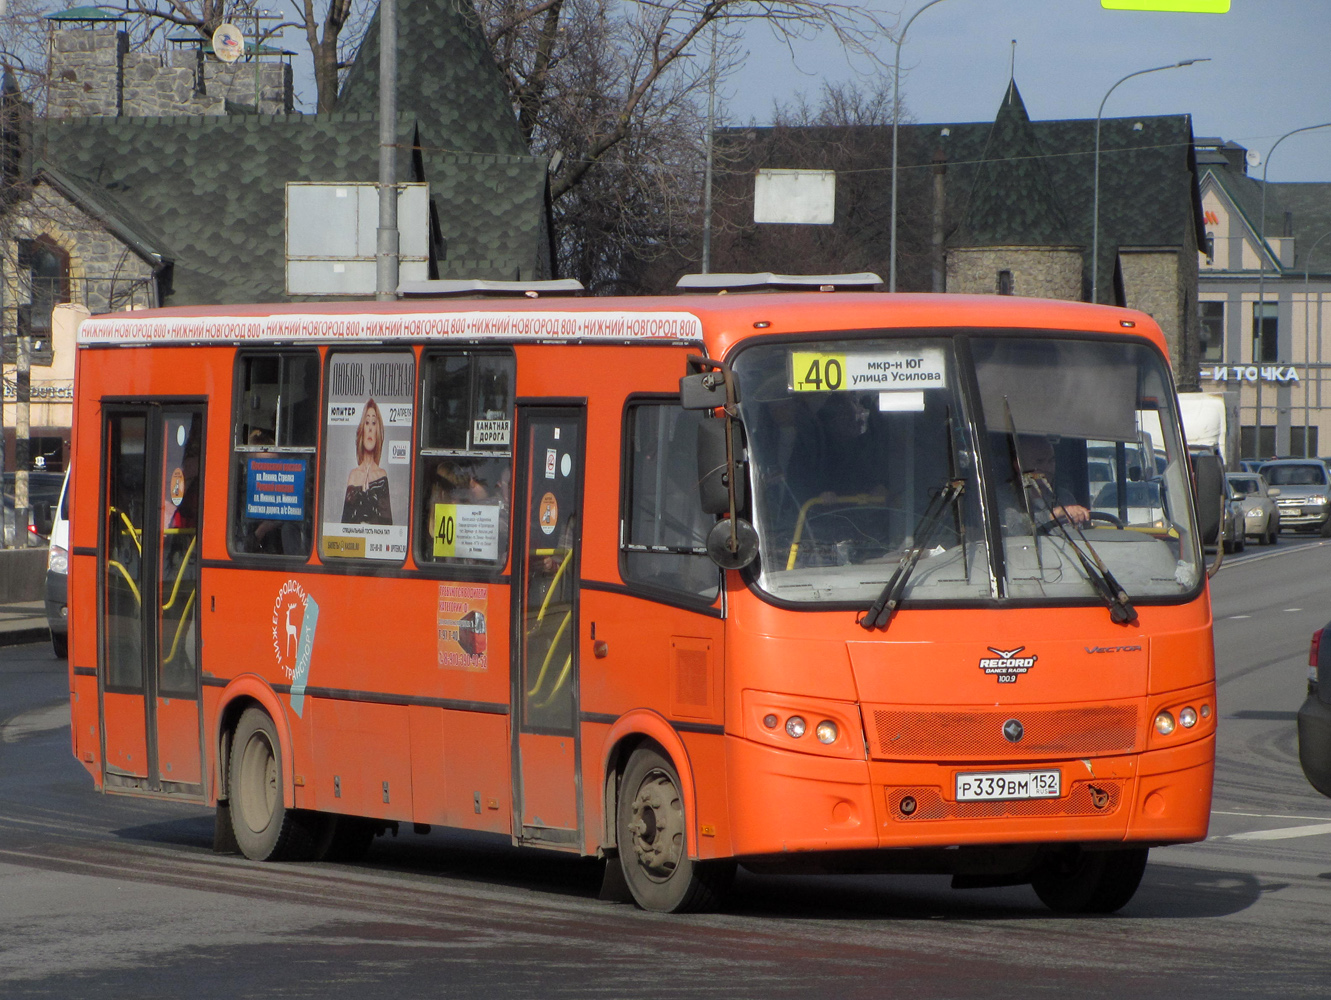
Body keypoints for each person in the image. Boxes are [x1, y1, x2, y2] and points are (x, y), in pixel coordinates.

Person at [1006, 434, 1090, 530]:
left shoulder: (1064, 497)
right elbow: (1013, 528)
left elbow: (1075, 534)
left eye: (1051, 461)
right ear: (1018, 465)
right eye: (1039, 462)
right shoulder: (1005, 497)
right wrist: (1053, 515)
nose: (1048, 468)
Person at [342, 399, 392, 524]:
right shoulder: (353, 475)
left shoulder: (381, 476)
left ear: (378, 430)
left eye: (374, 423)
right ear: (362, 429)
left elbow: (387, 524)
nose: (370, 428)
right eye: (367, 422)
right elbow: (345, 522)